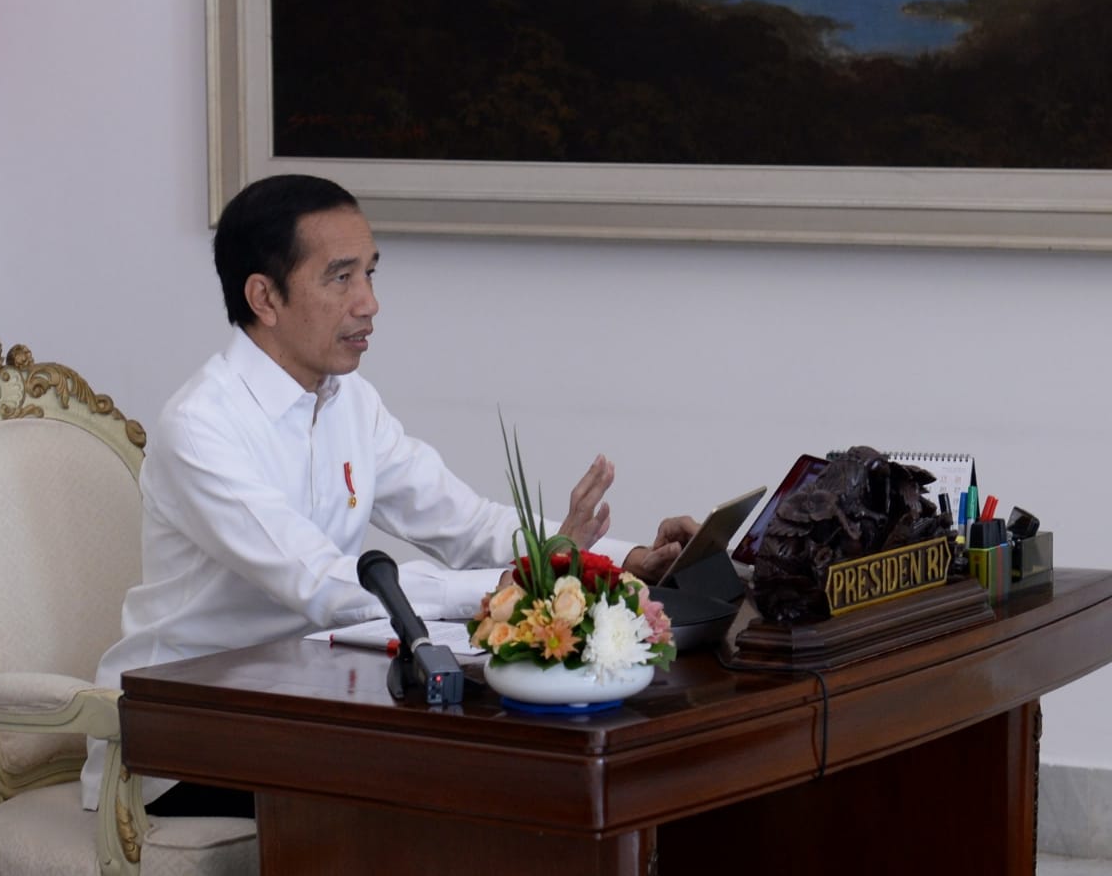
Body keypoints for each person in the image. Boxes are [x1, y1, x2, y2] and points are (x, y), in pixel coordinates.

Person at [80, 174, 698, 816]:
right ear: (264, 297)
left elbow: (465, 523)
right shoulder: (201, 427)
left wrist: (613, 561)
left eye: (371, 274)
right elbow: (323, 584)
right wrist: (523, 580)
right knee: (445, 794)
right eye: (341, 278)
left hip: (307, 703)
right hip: (183, 739)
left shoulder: (350, 401)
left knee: (512, 773)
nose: (369, 303)